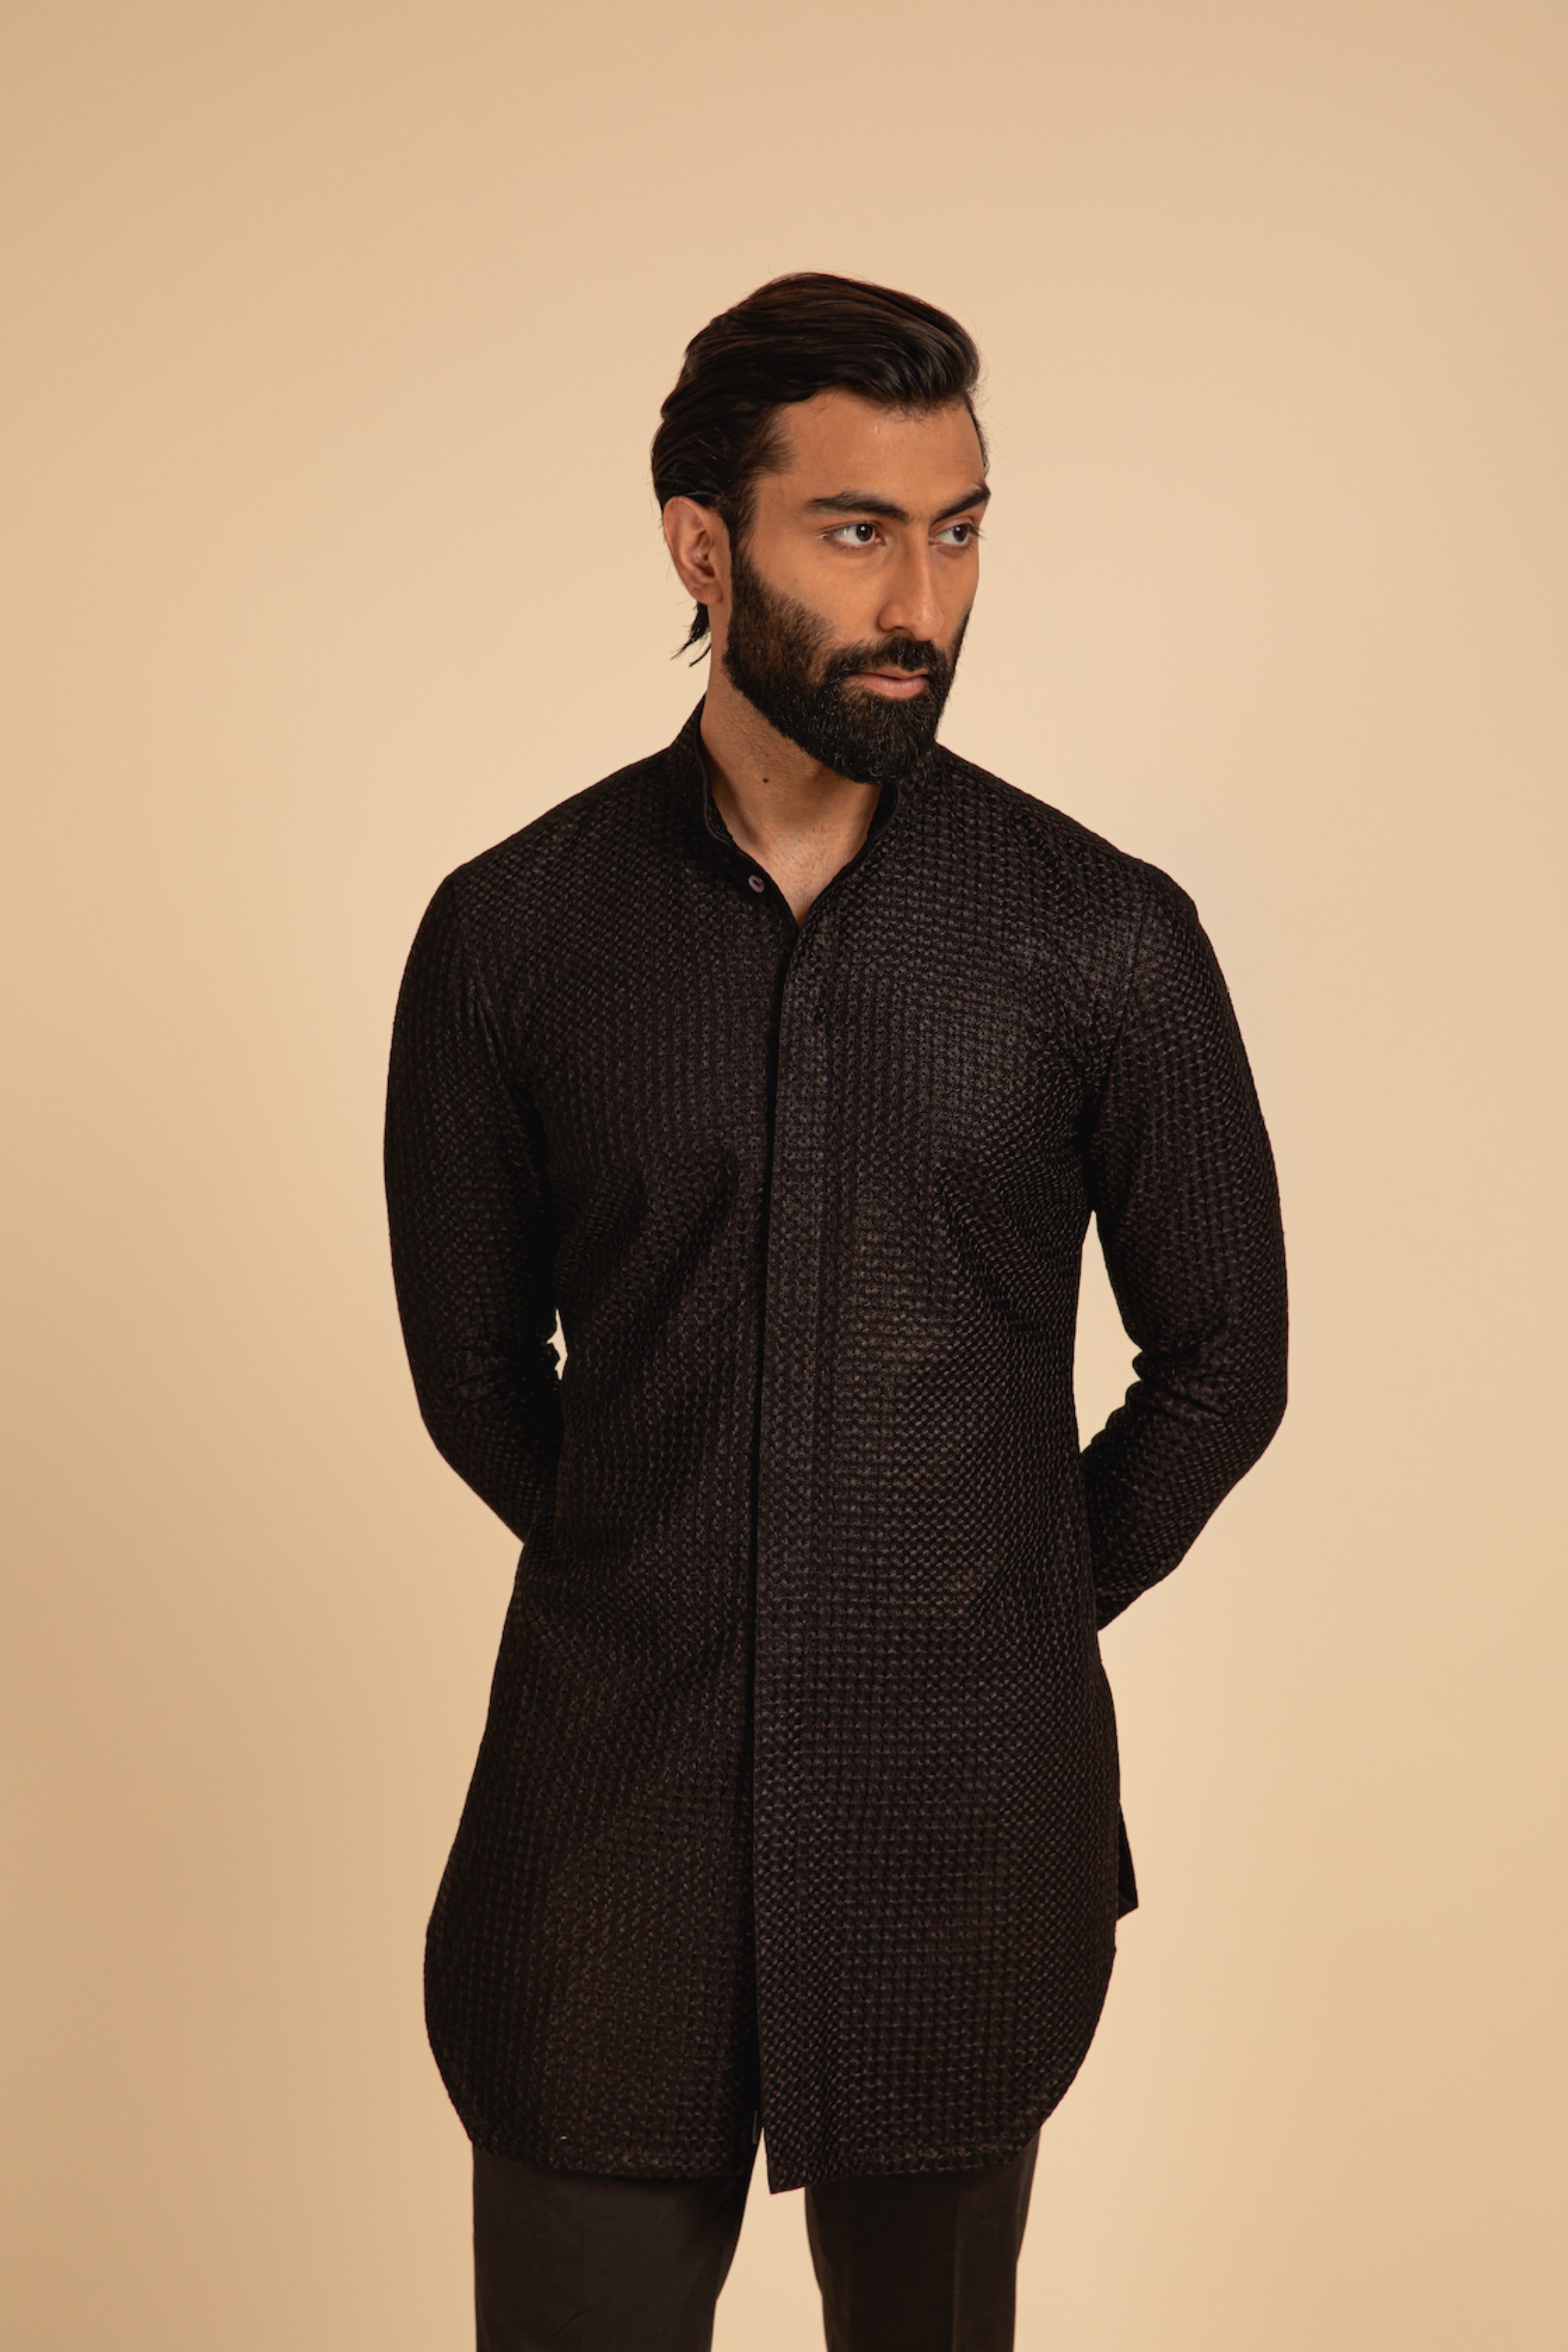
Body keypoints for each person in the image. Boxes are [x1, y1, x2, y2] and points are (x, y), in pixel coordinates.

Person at [384, 271, 1288, 2352]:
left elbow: (1225, 1360)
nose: (923, 602)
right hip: (602, 1850)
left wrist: (986, 1602)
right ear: (702, 545)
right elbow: (473, 1372)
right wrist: (677, 1568)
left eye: (959, 531)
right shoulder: (512, 937)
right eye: (858, 530)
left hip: (961, 1852)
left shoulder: (1104, 939)